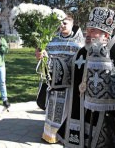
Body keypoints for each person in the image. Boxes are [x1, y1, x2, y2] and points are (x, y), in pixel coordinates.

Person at [57, 7, 115, 148]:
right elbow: (68, 71)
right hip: (80, 116)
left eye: (93, 31)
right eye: (88, 29)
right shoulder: (81, 53)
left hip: (105, 122)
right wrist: (47, 63)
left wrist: (108, 92)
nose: (87, 34)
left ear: (106, 35)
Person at [35, 15, 84, 143]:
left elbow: (78, 62)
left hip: (68, 84)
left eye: (65, 23)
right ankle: (50, 134)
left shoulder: (78, 43)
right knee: (52, 108)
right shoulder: (52, 40)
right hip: (53, 83)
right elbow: (46, 58)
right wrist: (41, 56)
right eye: (61, 23)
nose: (62, 25)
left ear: (72, 25)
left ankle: (62, 135)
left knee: (65, 109)